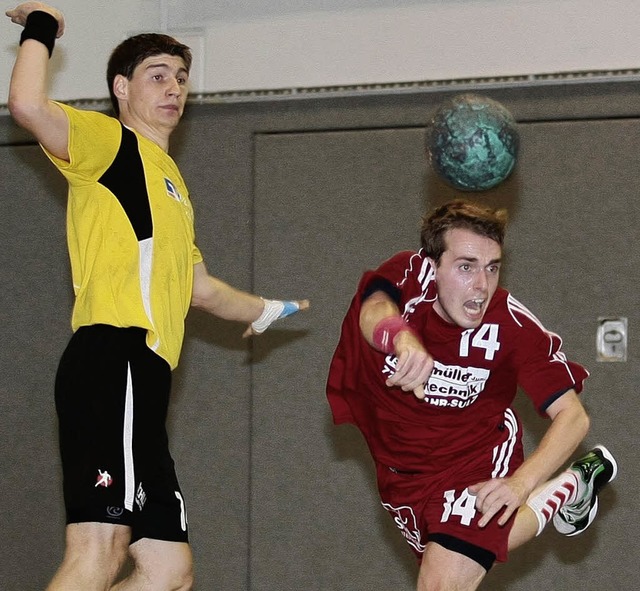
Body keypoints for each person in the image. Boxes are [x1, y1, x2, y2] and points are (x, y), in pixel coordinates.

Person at [6, 3, 309, 590]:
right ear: (121, 88)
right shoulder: (110, 144)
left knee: (169, 571)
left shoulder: (170, 182)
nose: (175, 88)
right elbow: (26, 105)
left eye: (181, 77)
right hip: (113, 358)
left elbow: (199, 287)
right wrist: (41, 23)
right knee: (99, 546)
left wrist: (267, 310)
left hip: (144, 378)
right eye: (158, 75)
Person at [326, 199, 616, 590]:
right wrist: (402, 339)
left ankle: (550, 489)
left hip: (474, 459)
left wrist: (521, 482)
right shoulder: (409, 276)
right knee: (464, 571)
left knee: (441, 586)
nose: (481, 285)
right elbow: (373, 308)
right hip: (402, 474)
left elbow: (574, 416)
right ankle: (568, 488)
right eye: (466, 267)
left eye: (492, 267)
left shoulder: (511, 325)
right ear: (434, 268)